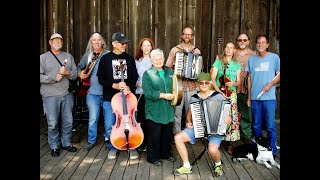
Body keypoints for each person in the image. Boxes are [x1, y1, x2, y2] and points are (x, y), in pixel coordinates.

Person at [173, 72, 231, 177]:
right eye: (201, 83)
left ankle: (218, 164)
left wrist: (228, 119)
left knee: (212, 149)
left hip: (215, 129)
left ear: (210, 84)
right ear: (197, 84)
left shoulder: (218, 96)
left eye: (206, 83)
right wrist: (188, 121)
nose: (203, 85)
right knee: (178, 138)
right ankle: (186, 166)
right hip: (198, 128)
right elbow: (189, 113)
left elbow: (228, 113)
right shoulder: (194, 98)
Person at [97, 32, 139, 160]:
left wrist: (129, 87)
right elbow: (101, 79)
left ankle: (131, 147)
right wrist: (114, 85)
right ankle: (113, 147)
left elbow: (134, 77)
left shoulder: (130, 59)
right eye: (122, 43)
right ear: (114, 44)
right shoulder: (105, 59)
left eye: (125, 43)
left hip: (127, 99)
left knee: (130, 125)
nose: (124, 45)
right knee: (110, 125)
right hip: (110, 98)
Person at [40, 33, 78, 157]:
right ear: (50, 42)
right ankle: (54, 145)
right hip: (50, 95)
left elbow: (75, 73)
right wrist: (53, 78)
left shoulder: (68, 56)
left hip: (66, 94)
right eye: (55, 40)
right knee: (52, 122)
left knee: (68, 121)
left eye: (60, 41)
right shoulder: (43, 58)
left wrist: (67, 72)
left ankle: (66, 143)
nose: (58, 43)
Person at [245, 34, 280, 158]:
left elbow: (279, 75)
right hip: (255, 98)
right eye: (258, 43)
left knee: (270, 125)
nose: (260, 45)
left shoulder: (274, 58)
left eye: (263, 43)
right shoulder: (252, 59)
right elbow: (249, 79)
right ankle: (257, 149)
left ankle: (273, 150)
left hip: (269, 98)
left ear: (267, 44)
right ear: (256, 44)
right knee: (256, 126)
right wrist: (249, 97)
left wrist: (270, 84)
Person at [77, 32, 110, 151]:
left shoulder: (108, 54)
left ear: (102, 42)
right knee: (93, 119)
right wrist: (79, 74)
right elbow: (78, 67)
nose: (96, 42)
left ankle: (108, 140)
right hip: (92, 93)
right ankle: (91, 141)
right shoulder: (88, 55)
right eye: (94, 40)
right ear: (91, 43)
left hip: (107, 93)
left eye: (98, 40)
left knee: (108, 120)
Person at [142, 48, 175, 166]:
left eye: (160, 58)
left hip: (168, 109)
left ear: (164, 59)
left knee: (166, 133)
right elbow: (148, 93)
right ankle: (153, 157)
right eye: (155, 59)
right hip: (154, 110)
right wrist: (164, 95)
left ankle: (165, 153)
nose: (158, 61)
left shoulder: (170, 73)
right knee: (154, 135)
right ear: (151, 61)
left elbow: (176, 87)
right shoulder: (148, 74)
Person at [165, 26, 201, 135]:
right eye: (185, 34)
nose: (187, 36)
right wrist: (176, 70)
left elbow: (199, 70)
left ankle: (189, 134)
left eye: (189, 34)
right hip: (178, 86)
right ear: (182, 35)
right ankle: (177, 135)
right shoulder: (175, 50)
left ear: (192, 36)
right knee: (177, 112)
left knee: (191, 111)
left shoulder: (196, 51)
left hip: (192, 86)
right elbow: (167, 67)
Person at [210, 42, 241, 155]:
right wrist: (219, 91)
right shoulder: (218, 62)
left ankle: (229, 143)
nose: (228, 49)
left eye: (231, 47)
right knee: (219, 116)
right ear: (224, 49)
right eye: (227, 47)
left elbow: (239, 82)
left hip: (231, 93)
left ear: (234, 50)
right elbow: (213, 79)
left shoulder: (237, 65)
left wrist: (233, 82)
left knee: (231, 118)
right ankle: (216, 141)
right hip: (220, 92)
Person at [233, 34, 255, 144]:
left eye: (244, 40)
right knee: (231, 113)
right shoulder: (232, 52)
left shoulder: (253, 54)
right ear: (237, 41)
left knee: (246, 113)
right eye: (240, 40)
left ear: (248, 41)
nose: (242, 41)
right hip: (232, 88)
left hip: (246, 88)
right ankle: (232, 136)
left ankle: (246, 135)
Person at [134, 38, 154, 152]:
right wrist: (138, 84)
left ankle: (150, 143)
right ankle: (142, 142)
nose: (146, 48)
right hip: (140, 93)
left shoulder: (154, 60)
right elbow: (133, 77)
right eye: (144, 46)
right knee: (141, 119)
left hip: (152, 94)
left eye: (148, 45)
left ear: (151, 47)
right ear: (141, 47)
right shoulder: (137, 61)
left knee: (150, 119)